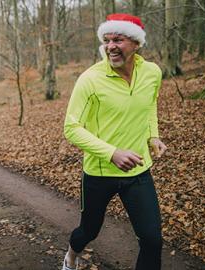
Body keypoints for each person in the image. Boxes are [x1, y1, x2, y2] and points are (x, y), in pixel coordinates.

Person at [62, 13, 167, 270]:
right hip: (99, 173)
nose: (110, 47)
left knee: (152, 240)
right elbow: (71, 128)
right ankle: (71, 256)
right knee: (88, 231)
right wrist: (111, 153)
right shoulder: (90, 79)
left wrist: (153, 135)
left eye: (117, 40)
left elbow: (149, 104)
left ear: (136, 43)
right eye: (107, 40)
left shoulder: (152, 72)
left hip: (138, 170)